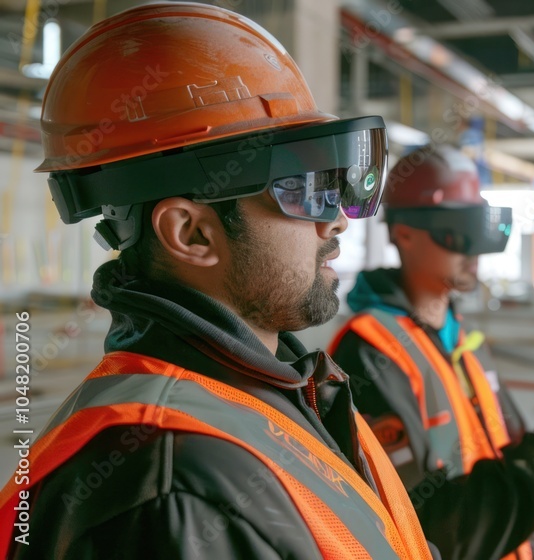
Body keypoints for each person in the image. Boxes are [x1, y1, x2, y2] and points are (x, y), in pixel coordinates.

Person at [0, 5, 433, 558]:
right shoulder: (168, 490)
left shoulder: (290, 388)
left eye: (331, 184)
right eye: (300, 189)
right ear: (191, 234)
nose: (337, 219)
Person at [328, 145, 534, 560]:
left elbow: (506, 455)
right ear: (404, 233)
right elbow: (429, 528)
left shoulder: (463, 340)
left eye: (480, 230)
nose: (474, 252)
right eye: (458, 232)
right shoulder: (367, 351)